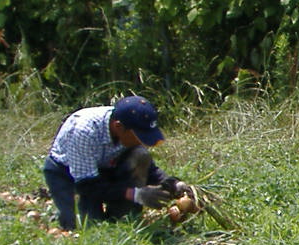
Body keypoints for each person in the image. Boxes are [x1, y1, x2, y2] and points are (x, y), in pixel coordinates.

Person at [43, 95, 194, 230]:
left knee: (140, 155)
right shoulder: (84, 132)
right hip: (68, 174)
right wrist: (136, 194)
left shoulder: (130, 125)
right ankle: (64, 212)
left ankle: (121, 214)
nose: (143, 142)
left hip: (106, 167)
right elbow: (87, 186)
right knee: (86, 227)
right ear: (118, 127)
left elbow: (148, 169)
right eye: (139, 136)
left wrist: (173, 183)